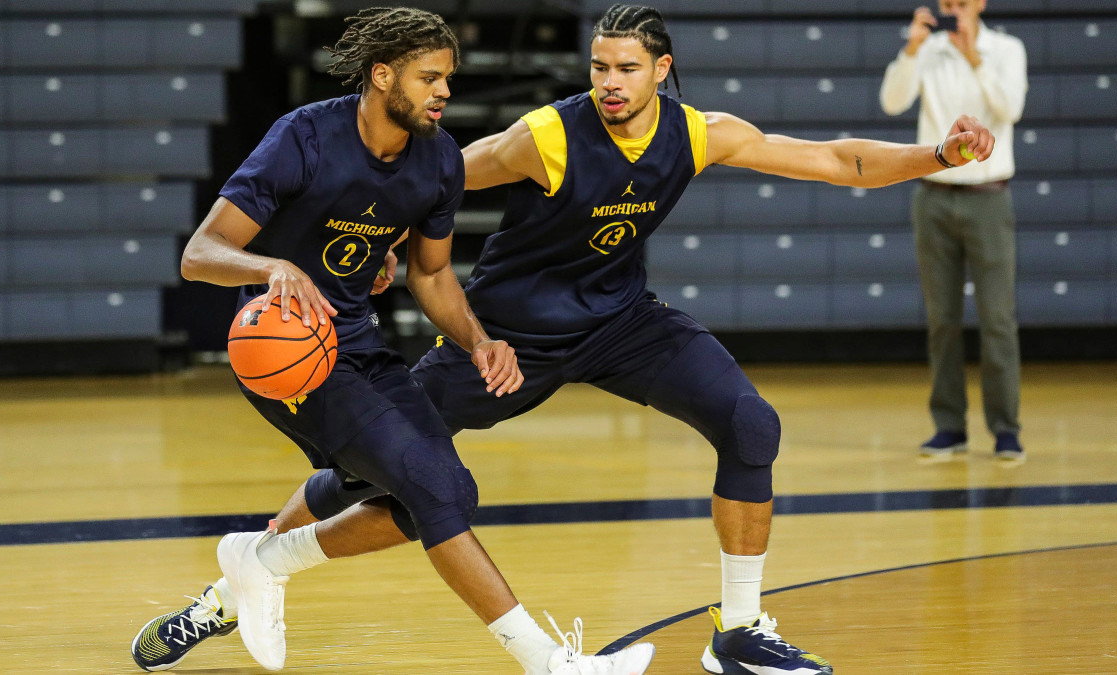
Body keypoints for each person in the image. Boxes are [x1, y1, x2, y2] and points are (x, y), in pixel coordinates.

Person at [147, 4, 996, 674]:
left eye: (627, 68)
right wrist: (376, 248)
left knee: (750, 424)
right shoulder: (545, 135)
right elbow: (432, 174)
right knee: (365, 475)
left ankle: (737, 631)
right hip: (507, 336)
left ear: (663, 70)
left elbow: (835, 162)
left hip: (624, 324)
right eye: (599, 67)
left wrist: (936, 154)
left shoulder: (698, 133)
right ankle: (235, 587)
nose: (610, 82)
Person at [129, 8, 655, 674]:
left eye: (448, 80)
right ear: (382, 75)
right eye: (429, 77)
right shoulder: (304, 137)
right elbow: (200, 253)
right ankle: (550, 662)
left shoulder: (438, 160)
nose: (444, 92)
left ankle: (251, 569)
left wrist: (477, 340)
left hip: (358, 343)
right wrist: (272, 266)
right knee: (430, 485)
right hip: (284, 349)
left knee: (447, 495)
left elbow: (429, 274)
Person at [880, 1, 1027, 462]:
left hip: (988, 194)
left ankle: (1006, 429)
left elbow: (1011, 108)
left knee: (997, 319)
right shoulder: (928, 49)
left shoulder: (1006, 49)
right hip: (934, 196)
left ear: (980, 3)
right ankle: (949, 427)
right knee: (942, 319)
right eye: (947, 4)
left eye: (961, 4)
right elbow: (892, 101)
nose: (953, 11)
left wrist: (973, 57)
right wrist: (912, 49)